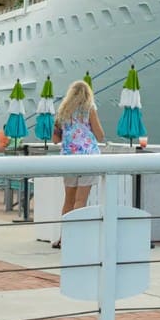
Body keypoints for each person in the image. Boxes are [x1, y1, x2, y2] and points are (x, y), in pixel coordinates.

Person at [51, 79, 105, 247]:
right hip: (88, 158)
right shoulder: (90, 109)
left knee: (68, 200)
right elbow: (100, 135)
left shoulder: (63, 110)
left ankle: (64, 237)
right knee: (81, 201)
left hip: (68, 159)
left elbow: (54, 139)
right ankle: (76, 239)